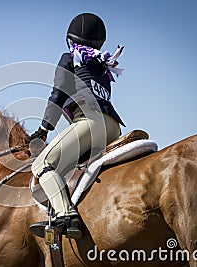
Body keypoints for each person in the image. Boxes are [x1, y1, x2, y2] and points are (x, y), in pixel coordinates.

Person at [29, 13, 125, 239]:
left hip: (90, 123)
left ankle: (65, 215)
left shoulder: (69, 58)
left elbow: (58, 94)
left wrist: (44, 130)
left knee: (42, 166)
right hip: (114, 127)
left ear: (71, 39)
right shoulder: (102, 66)